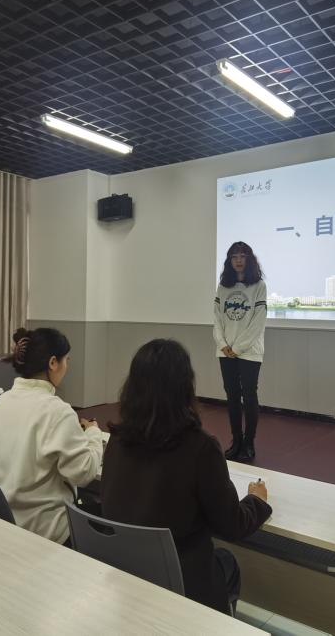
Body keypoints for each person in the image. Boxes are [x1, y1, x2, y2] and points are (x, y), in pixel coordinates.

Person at [101, 339, 271, 615]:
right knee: (227, 561)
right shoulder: (200, 447)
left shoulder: (117, 440)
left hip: (126, 576)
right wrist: (256, 500)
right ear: (186, 386)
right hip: (180, 583)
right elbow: (233, 525)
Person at [0, 327, 103, 545]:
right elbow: (83, 473)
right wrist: (93, 434)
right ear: (53, 363)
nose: (67, 366)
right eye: (66, 360)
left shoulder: (1, 401)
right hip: (42, 532)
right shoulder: (58, 411)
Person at [214, 241, 267, 462]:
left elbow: (258, 323)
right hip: (225, 351)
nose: (238, 260)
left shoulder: (259, 286)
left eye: (242, 256)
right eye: (234, 256)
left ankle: (248, 443)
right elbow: (217, 319)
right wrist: (222, 344)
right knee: (232, 396)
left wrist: (237, 348)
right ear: (229, 260)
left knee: (249, 396)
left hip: (249, 352)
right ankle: (236, 441)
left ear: (249, 259)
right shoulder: (223, 286)